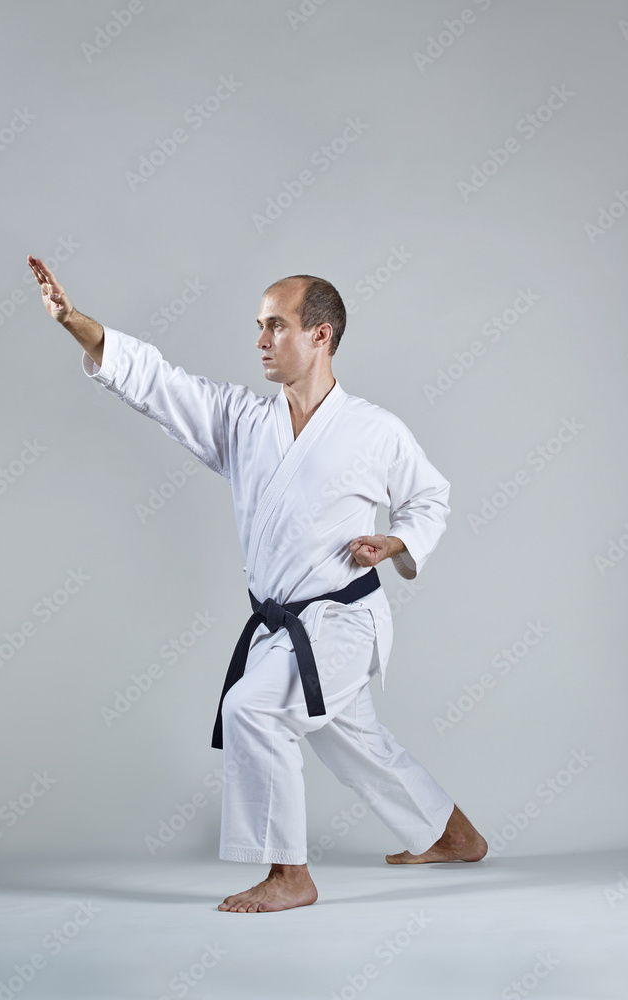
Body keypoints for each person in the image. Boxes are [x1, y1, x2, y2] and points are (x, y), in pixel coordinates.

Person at [27, 255, 487, 912]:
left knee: (253, 709)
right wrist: (73, 321)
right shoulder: (242, 421)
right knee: (354, 739)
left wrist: (396, 542)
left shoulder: (373, 429)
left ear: (321, 335)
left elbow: (430, 500)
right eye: (260, 326)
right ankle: (454, 836)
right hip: (284, 627)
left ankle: (288, 875)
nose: (261, 341)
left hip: (346, 618)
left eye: (276, 326)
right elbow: (156, 381)